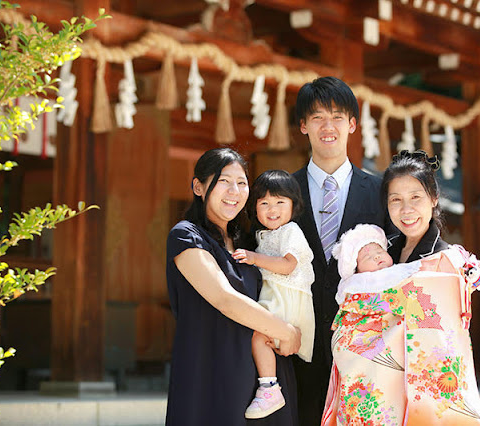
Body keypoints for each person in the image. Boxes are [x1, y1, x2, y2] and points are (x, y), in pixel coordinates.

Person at [321, 151, 480, 425]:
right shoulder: (379, 255)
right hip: (374, 395)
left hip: (420, 400)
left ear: (434, 199)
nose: (406, 210)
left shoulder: (445, 261)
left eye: (416, 198)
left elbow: (444, 346)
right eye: (396, 200)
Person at [165, 148, 301, 426]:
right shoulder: (187, 236)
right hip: (211, 373)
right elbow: (224, 298)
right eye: (224, 181)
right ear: (198, 186)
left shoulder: (248, 242)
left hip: (264, 382)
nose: (234, 191)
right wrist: (285, 332)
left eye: (241, 183)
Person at [291, 76, 390, 425]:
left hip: (364, 344)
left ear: (352, 124)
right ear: (304, 126)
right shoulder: (282, 194)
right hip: (297, 345)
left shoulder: (381, 193)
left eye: (337, 116)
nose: (327, 126)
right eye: (317, 117)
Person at [231, 170, 316, 419]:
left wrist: (255, 258)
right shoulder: (263, 235)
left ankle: (269, 388)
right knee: (260, 337)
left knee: (259, 336)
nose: (272, 209)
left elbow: (288, 265)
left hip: (288, 297)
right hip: (278, 295)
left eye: (280, 202)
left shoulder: (291, 231)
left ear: (294, 206)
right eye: (264, 203)